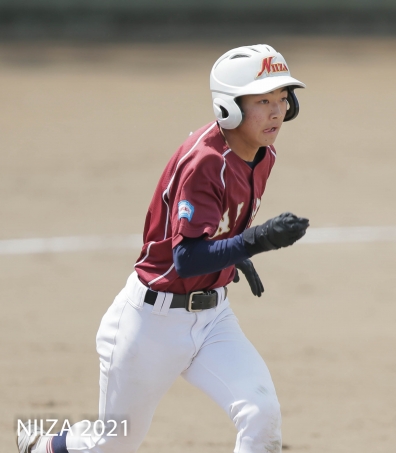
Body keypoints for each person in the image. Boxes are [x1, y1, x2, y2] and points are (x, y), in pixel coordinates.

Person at [18, 44, 309, 453]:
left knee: (262, 414)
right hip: (150, 324)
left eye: (282, 98)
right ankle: (45, 447)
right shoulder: (205, 162)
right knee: (115, 442)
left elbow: (217, 225)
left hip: (213, 320)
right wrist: (254, 241)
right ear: (229, 107)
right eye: (263, 101)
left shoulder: (263, 154)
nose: (277, 111)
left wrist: (235, 252)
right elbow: (186, 259)